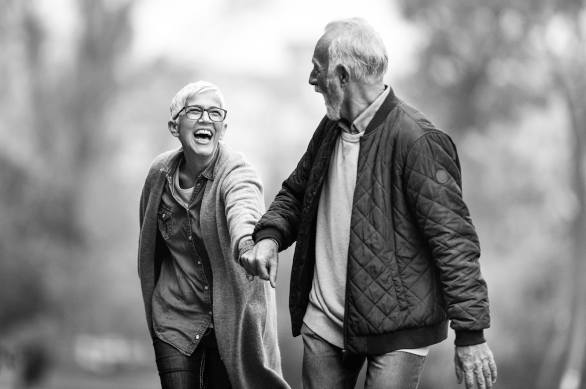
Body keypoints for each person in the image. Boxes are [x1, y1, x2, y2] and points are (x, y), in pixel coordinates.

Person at [240, 18, 497, 389]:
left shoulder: (418, 140)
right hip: (324, 324)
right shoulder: (330, 128)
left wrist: (471, 336)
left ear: (342, 76)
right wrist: (268, 238)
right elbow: (297, 193)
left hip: (399, 331)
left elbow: (453, 243)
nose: (312, 81)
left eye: (318, 70)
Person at [138, 81, 290, 389]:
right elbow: (149, 243)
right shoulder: (159, 175)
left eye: (214, 112)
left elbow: (244, 209)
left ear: (223, 127)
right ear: (174, 125)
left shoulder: (236, 172)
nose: (206, 118)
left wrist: (248, 243)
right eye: (194, 111)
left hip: (229, 323)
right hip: (174, 315)